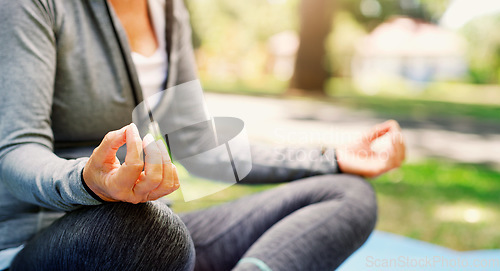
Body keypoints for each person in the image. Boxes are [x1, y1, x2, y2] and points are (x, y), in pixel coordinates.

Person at [0, 0, 405, 270]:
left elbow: (198, 148)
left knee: (348, 195)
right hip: (47, 242)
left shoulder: (168, 10)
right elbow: (17, 150)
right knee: (153, 234)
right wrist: (87, 182)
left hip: (156, 240)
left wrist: (331, 158)